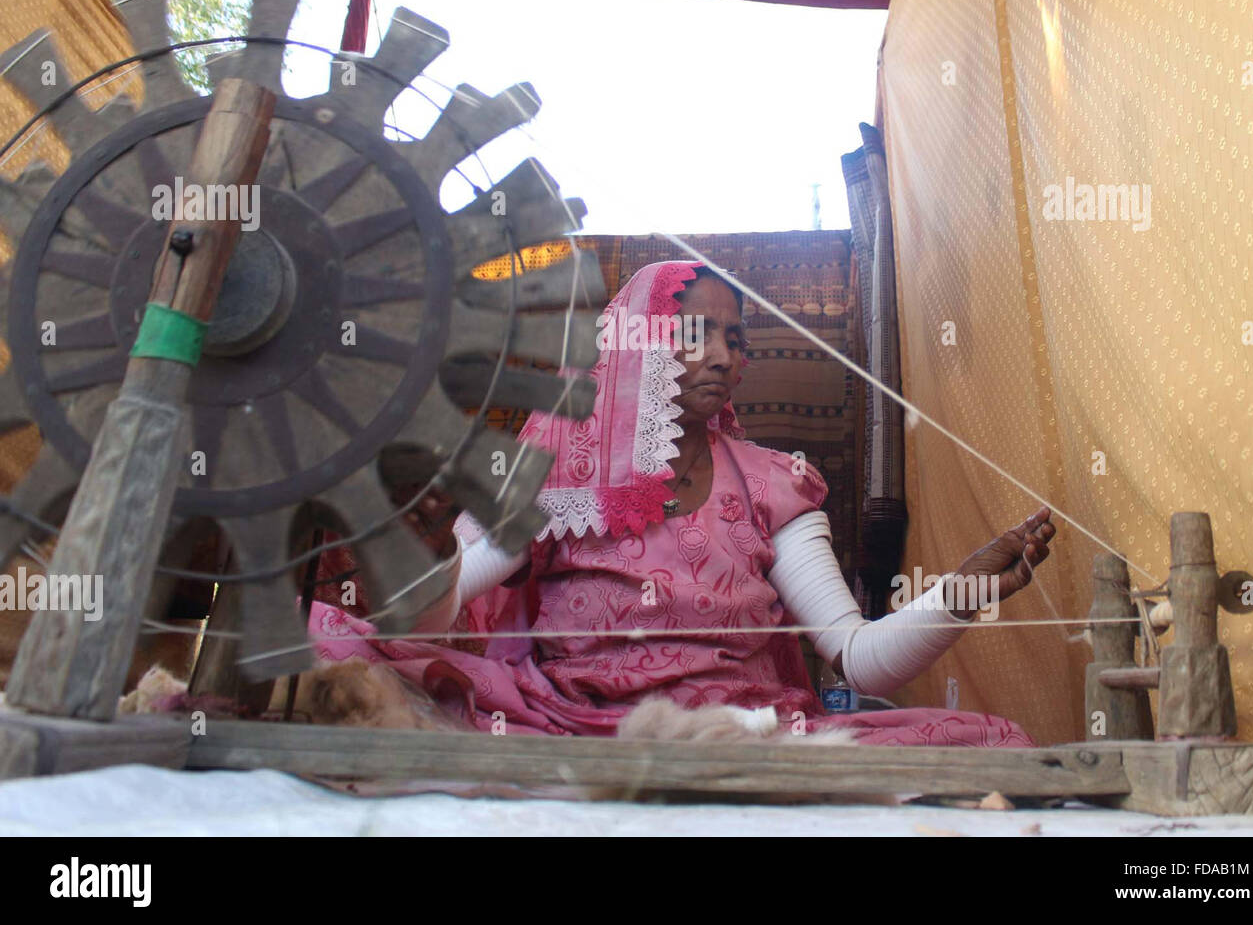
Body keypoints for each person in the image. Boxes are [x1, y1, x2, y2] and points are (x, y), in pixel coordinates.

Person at [309, 260, 1055, 745]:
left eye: (737, 339)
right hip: (573, 732)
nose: (728, 358)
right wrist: (434, 553)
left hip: (751, 737)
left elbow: (859, 660)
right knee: (345, 662)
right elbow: (431, 617)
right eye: (699, 334)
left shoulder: (772, 483)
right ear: (639, 343)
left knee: (992, 745)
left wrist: (965, 590)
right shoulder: (556, 469)